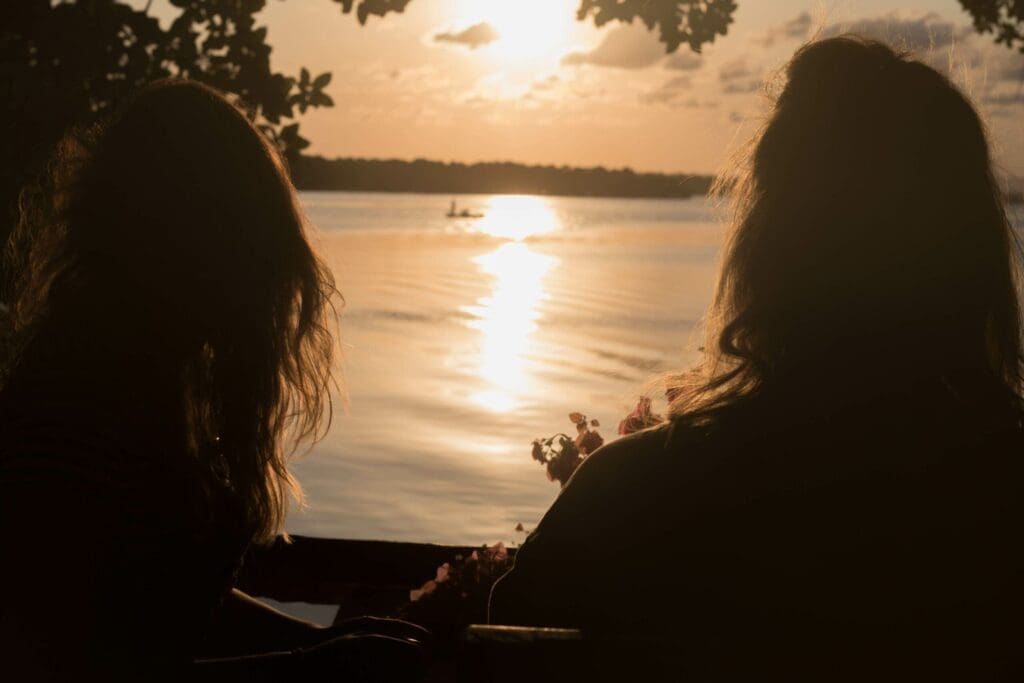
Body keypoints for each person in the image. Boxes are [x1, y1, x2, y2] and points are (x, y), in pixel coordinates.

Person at [489, 37, 1024, 678]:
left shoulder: (632, 490)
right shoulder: (998, 489)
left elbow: (503, 648)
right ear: (970, 250)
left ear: (764, 247)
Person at [0, 80, 421, 680]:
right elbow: (74, 657)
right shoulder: (75, 399)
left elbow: (157, 606)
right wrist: (312, 668)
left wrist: (317, 638)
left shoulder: (158, 372)